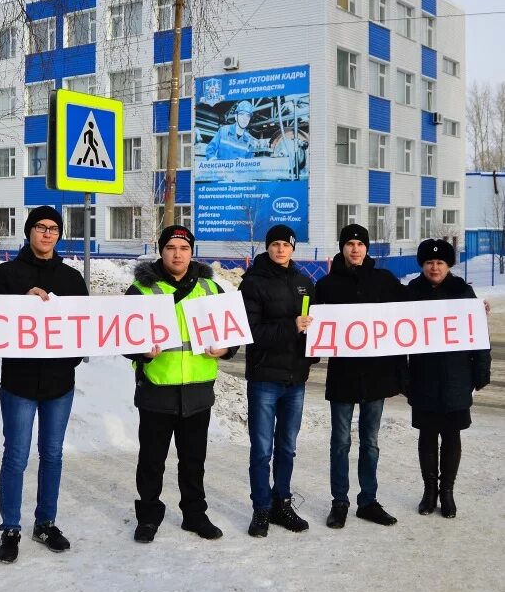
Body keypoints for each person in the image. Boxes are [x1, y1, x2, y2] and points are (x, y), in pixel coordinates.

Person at [0, 206, 88, 564]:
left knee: (54, 454)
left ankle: (45, 522)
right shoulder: (7, 274)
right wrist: (20, 306)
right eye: (41, 228)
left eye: (54, 229)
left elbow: (85, 329)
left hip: (59, 384)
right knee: (16, 455)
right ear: (29, 231)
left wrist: (70, 360)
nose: (47, 234)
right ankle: (10, 527)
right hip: (19, 381)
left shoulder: (72, 278)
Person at [125, 225, 237, 544]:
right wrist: (141, 351)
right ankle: (148, 517)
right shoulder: (141, 290)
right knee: (151, 461)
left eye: (184, 248)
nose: (178, 253)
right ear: (161, 250)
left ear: (192, 252)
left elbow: (231, 336)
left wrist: (227, 349)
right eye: (171, 247)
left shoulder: (212, 289)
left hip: (198, 391)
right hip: (156, 390)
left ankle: (194, 515)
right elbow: (123, 338)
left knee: (193, 461)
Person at [314, 225, 406, 529]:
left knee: (370, 442)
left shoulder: (384, 280)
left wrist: (467, 305)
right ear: (342, 247)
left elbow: (414, 308)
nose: (355, 249)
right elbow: (312, 321)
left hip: (376, 376)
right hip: (343, 375)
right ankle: (340, 502)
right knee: (340, 442)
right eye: (350, 243)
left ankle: (368, 501)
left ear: (367, 248)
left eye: (360, 244)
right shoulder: (326, 285)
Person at [239, 224, 315, 538]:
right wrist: (291, 326)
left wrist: (313, 353)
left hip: (295, 379)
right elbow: (251, 334)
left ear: (293, 248)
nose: (280, 249)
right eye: (275, 244)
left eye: (285, 244)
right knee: (261, 449)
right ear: (268, 248)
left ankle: (282, 501)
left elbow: (312, 325)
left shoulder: (304, 282)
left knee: (287, 447)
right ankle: (261, 508)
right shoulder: (253, 283)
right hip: (265, 378)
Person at [407, 239, 491, 519]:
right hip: (423, 376)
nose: (434, 267)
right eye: (429, 262)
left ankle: (447, 493)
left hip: (457, 376)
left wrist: (481, 371)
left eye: (440, 262)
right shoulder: (411, 293)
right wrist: (402, 378)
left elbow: (480, 337)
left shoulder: (462, 292)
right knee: (427, 436)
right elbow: (394, 337)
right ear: (422, 265)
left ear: (448, 265)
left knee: (452, 436)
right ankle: (429, 491)